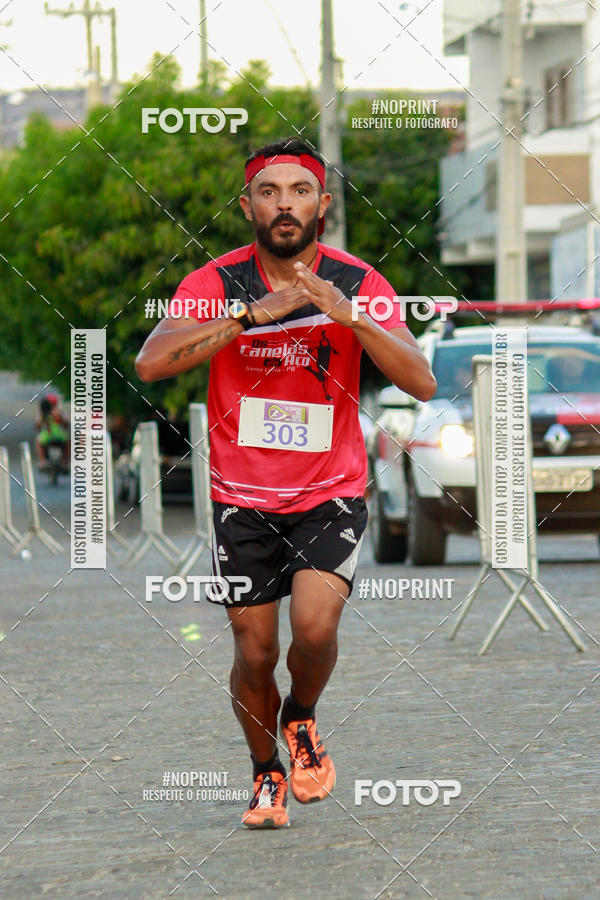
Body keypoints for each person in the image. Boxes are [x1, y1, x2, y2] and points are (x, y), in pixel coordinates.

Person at [135, 138, 436, 829]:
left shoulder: (357, 282)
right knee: (254, 650)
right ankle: (265, 771)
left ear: (323, 204)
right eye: (268, 193)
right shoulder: (218, 282)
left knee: (314, 624)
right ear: (247, 207)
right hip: (242, 497)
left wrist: (346, 314)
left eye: (299, 191)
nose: (284, 205)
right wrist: (245, 318)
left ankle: (300, 718)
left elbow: (421, 380)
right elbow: (152, 363)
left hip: (329, 490)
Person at [35, 393, 69, 470]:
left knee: (38, 441)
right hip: (53, 435)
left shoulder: (59, 413)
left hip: (53, 435)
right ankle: (45, 461)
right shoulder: (44, 413)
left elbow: (37, 426)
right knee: (67, 440)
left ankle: (44, 461)